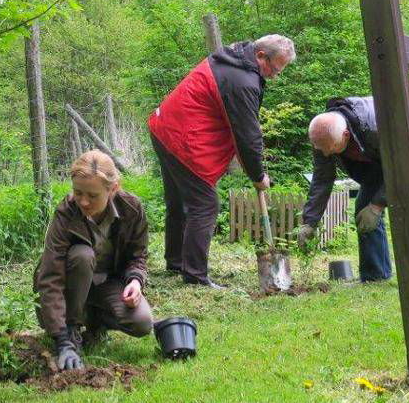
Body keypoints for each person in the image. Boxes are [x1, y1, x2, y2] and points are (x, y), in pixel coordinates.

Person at [148, 34, 296, 288]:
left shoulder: (235, 57)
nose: (274, 76)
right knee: (205, 204)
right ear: (261, 55)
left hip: (164, 127)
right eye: (274, 69)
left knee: (179, 202)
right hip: (183, 137)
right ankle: (195, 275)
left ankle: (176, 262)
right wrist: (258, 176)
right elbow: (247, 136)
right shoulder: (243, 81)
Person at [299, 97, 409, 282]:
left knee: (404, 206)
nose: (326, 154)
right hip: (382, 158)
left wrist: (377, 205)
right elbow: (322, 178)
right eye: (322, 150)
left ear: (345, 135)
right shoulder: (323, 137)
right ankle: (375, 276)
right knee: (363, 210)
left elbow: (403, 168)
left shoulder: (378, 128)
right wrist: (309, 222)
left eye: (331, 149)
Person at [34, 150, 153, 372]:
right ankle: (71, 329)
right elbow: (50, 277)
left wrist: (135, 281)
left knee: (142, 322)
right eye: (77, 192)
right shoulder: (66, 213)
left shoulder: (131, 208)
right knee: (82, 254)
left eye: (93, 195)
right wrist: (62, 340)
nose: (84, 201)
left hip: (107, 283)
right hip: (68, 287)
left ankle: (95, 323)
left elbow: (138, 256)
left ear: (113, 189)